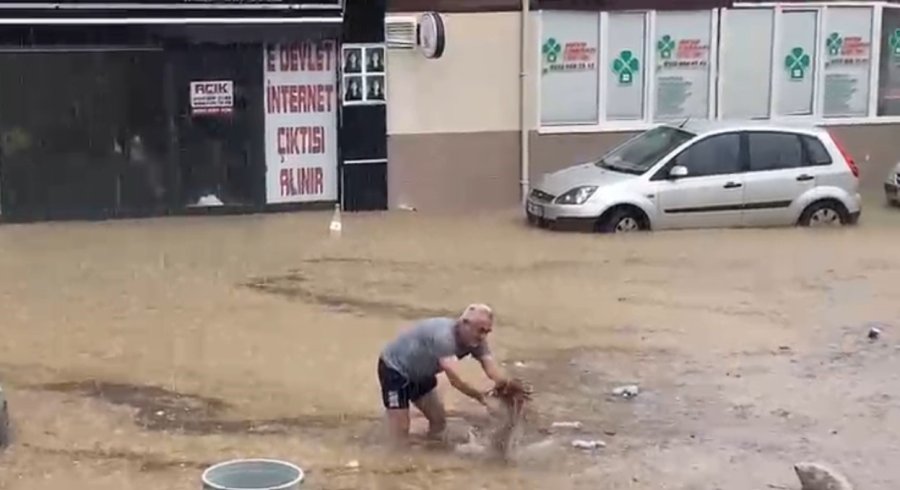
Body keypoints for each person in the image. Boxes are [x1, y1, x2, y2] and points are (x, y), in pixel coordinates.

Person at [377, 303, 510, 446]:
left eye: (487, 332)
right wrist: (483, 399)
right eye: (480, 331)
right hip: (395, 370)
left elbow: (492, 370)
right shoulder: (444, 337)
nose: (483, 336)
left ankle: (430, 452)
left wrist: (508, 390)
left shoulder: (478, 341)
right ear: (464, 323)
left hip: (422, 374)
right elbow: (456, 379)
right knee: (400, 434)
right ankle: (394, 456)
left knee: (438, 421)